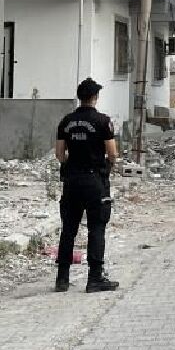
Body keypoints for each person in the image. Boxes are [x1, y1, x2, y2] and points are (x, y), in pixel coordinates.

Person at [54, 78, 119, 293]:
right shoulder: (103, 121)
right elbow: (112, 153)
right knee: (96, 227)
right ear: (95, 97)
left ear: (79, 97)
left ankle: (62, 279)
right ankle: (95, 278)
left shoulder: (66, 121)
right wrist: (106, 165)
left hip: (72, 180)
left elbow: (60, 155)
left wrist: (73, 163)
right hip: (95, 181)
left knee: (69, 229)